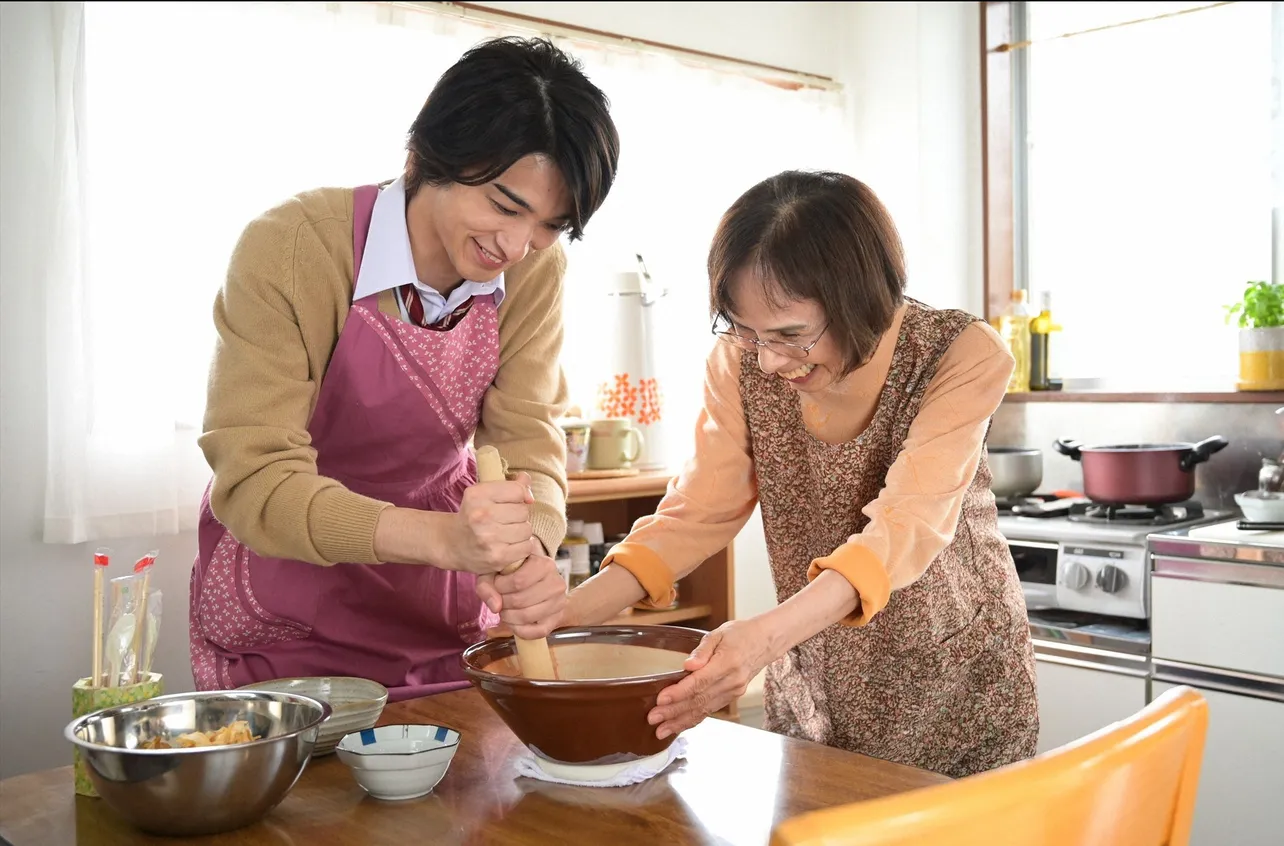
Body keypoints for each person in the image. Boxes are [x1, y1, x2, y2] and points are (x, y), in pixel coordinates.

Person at [567, 170, 1039, 778]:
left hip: (955, 683)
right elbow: (700, 511)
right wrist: (569, 617)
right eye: (748, 331)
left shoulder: (960, 354)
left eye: (792, 335)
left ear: (860, 296)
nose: (770, 360)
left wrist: (763, 638)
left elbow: (908, 524)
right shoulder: (739, 363)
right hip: (813, 676)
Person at [190, 37, 620, 702]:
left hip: (437, 611)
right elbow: (255, 478)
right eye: (506, 206)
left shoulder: (535, 269)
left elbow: (528, 436)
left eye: (550, 225)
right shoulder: (296, 246)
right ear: (426, 155)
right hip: (291, 606)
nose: (516, 246)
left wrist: (530, 543)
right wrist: (444, 540)